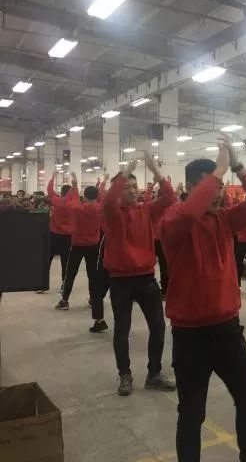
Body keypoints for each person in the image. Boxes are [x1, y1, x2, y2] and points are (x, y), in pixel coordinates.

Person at [160, 141, 246, 462]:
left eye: (221, 187)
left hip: (227, 330)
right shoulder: (173, 221)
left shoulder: (224, 219)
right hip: (190, 336)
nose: (218, 194)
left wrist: (238, 167)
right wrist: (219, 169)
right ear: (190, 188)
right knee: (192, 413)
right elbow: (189, 212)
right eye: (212, 187)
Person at [103, 151, 177, 396]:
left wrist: (155, 169)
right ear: (118, 191)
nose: (132, 191)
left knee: (158, 327)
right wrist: (124, 173)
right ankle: (125, 375)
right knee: (122, 330)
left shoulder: (147, 210)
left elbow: (170, 197)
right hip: (120, 281)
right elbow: (108, 201)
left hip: (146, 278)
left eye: (135, 186)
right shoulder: (113, 215)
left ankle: (154, 374)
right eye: (126, 187)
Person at [56, 174, 103, 321]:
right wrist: (102, 183)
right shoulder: (100, 208)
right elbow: (101, 196)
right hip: (94, 246)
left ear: (85, 196)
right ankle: (93, 300)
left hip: (77, 245)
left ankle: (65, 300)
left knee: (70, 273)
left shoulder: (77, 209)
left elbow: (74, 199)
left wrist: (75, 185)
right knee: (93, 275)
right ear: (97, 196)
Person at [45, 172, 74, 293]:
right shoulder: (73, 205)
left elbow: (50, 190)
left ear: (61, 193)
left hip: (54, 235)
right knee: (66, 261)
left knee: (47, 258)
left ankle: (42, 283)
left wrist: (52, 177)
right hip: (68, 237)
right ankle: (64, 284)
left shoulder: (56, 201)